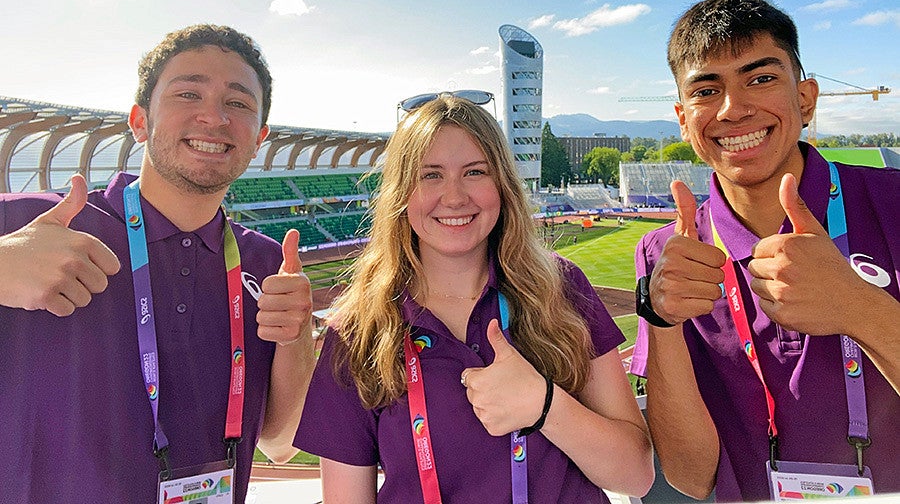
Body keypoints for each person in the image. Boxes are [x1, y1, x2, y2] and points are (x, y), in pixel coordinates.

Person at [0, 25, 315, 503]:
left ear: (259, 139)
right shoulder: (32, 224)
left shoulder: (267, 264)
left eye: (239, 103)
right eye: (189, 93)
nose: (213, 116)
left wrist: (295, 341)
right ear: (140, 121)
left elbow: (280, 444)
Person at [295, 93, 654, 503]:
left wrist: (545, 407)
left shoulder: (561, 287)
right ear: (400, 194)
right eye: (430, 175)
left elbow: (636, 475)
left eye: (475, 172)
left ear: (502, 183)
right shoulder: (359, 331)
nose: (454, 197)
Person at [630, 0, 899, 502]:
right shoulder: (664, 253)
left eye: (760, 78)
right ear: (683, 119)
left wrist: (860, 308)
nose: (733, 109)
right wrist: (660, 321)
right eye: (707, 90)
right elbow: (691, 477)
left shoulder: (893, 202)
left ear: (806, 98)